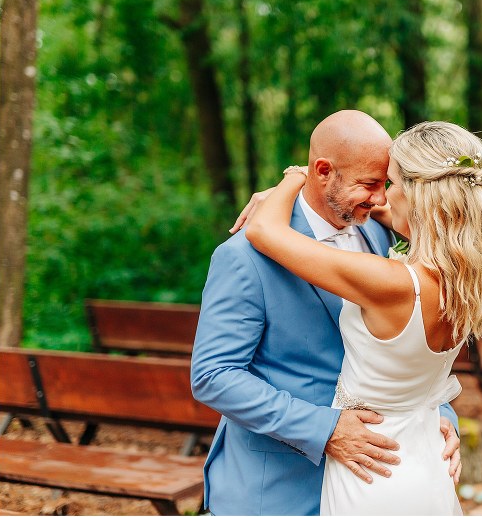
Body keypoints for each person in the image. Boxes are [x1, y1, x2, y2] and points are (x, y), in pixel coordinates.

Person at [190, 110, 462, 516]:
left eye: (385, 184)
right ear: (322, 171)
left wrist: (439, 415)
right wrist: (326, 429)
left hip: (375, 486)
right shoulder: (244, 257)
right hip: (278, 488)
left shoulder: (376, 230)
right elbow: (214, 376)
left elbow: (405, 343)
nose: (381, 198)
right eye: (369, 184)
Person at [244, 120, 482, 515]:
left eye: (393, 184)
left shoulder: (393, 283)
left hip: (375, 476)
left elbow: (262, 229)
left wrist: (296, 177)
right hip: (424, 464)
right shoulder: (465, 280)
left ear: (419, 198)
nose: (383, 198)